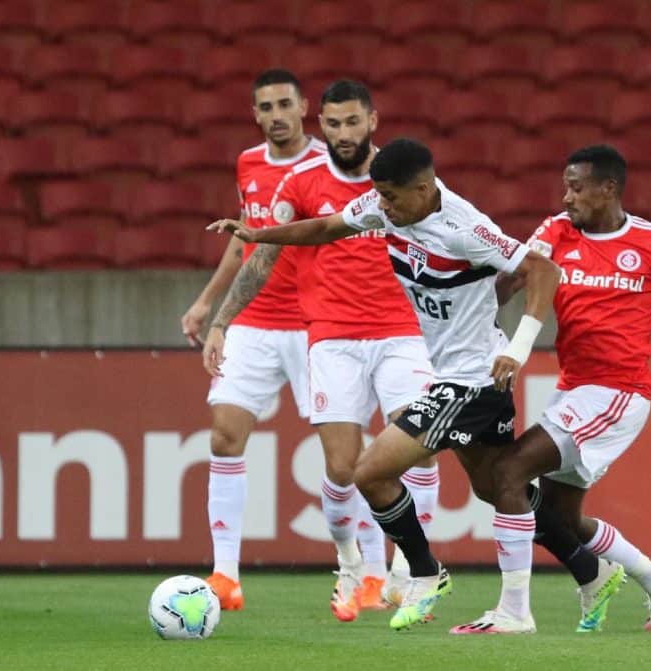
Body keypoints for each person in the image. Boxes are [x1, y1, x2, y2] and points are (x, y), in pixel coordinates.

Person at [216, 137, 563, 634]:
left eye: (391, 198)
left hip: (474, 380)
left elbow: (543, 269)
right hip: (451, 376)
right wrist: (261, 234)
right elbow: (327, 228)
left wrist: (520, 348)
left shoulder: (465, 228)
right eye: (377, 196)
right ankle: (582, 560)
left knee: (370, 472)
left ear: (423, 190)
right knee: (497, 487)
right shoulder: (388, 207)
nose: (381, 206)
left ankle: (426, 572)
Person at [202, 81, 439, 622]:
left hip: (402, 332)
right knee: (343, 470)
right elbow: (264, 255)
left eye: (353, 122)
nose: (343, 134)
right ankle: (351, 561)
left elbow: (447, 244)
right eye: (333, 124)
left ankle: (409, 573)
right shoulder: (302, 180)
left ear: (373, 121)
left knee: (419, 447)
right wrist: (222, 319)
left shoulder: (404, 179)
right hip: (332, 337)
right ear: (322, 125)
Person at [493, 144, 651, 632]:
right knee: (557, 520)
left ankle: (514, 611)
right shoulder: (554, 232)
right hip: (574, 389)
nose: (566, 197)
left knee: (510, 470)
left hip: (619, 393)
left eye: (576, 187)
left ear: (608, 189)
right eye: (565, 186)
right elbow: (507, 284)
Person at [179, 69, 325, 611]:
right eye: (266, 107)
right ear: (256, 114)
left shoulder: (326, 166)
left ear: (305, 106)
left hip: (316, 323)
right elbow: (246, 242)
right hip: (256, 321)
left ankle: (365, 569)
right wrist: (208, 305)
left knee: (341, 455)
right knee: (224, 434)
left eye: (285, 103)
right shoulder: (249, 163)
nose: (276, 114)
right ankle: (225, 574)